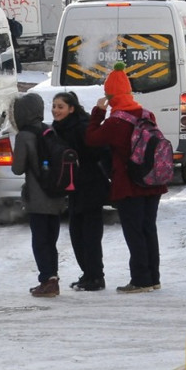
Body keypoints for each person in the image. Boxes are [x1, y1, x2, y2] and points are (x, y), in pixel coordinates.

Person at [85, 62, 168, 293]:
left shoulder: (115, 121)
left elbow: (91, 139)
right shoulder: (145, 113)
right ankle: (153, 277)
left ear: (110, 95)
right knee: (149, 229)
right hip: (152, 181)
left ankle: (140, 279)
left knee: (135, 232)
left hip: (129, 184)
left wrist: (98, 112)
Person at [50, 92, 109, 292]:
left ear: (71, 109)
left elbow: (100, 151)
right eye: (54, 106)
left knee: (90, 235)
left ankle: (96, 277)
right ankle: (88, 274)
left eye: (60, 107)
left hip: (91, 186)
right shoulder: (58, 128)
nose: (56, 110)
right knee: (76, 234)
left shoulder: (82, 127)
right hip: (75, 188)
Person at [10, 92, 67, 297]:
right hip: (56, 194)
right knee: (51, 239)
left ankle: (47, 280)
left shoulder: (24, 135)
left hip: (37, 196)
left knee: (40, 240)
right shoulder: (49, 129)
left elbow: (17, 169)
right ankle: (53, 277)